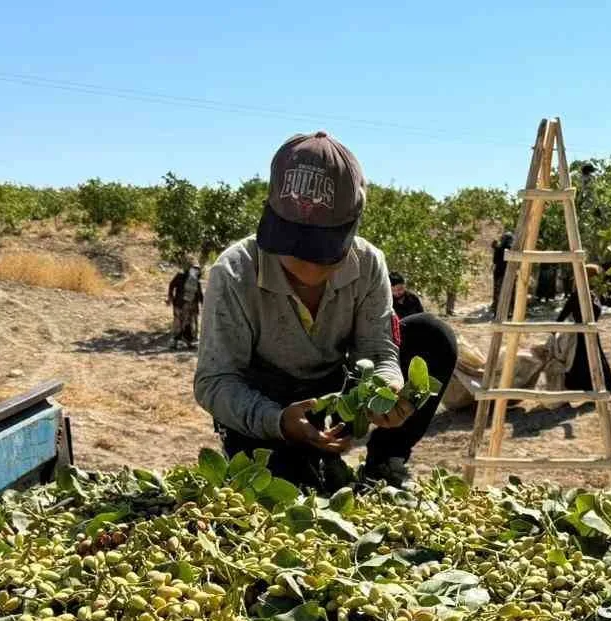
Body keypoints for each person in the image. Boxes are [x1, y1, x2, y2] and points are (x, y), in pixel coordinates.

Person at [194, 131, 458, 492]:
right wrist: (277, 421)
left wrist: (388, 387)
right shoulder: (234, 272)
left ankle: (384, 464)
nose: (302, 258)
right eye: (290, 239)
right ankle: (294, 457)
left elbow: (378, 351)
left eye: (318, 246)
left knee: (432, 336)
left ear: (351, 229)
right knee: (293, 494)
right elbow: (215, 381)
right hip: (265, 405)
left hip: (335, 398)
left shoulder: (368, 264)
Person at [555, 263, 611, 394]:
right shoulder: (577, 295)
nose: (600, 279)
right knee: (584, 363)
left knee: (592, 363)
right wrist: (553, 336)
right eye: (598, 276)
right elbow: (562, 316)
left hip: (592, 334)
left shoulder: (596, 294)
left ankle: (594, 389)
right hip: (580, 337)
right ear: (591, 277)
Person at [167, 263, 203, 349]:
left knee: (189, 325)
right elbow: (171, 285)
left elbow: (200, 294)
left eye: (197, 270)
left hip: (191, 307)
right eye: (194, 269)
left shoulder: (197, 282)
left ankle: (188, 342)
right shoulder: (180, 277)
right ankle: (174, 342)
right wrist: (170, 297)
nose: (196, 271)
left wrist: (203, 304)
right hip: (180, 305)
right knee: (178, 323)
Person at [491, 231, 514, 314]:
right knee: (509, 293)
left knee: (498, 293)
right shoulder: (512, 249)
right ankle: (508, 311)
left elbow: (494, 261)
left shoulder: (499, 248)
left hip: (499, 274)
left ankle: (497, 311)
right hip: (508, 274)